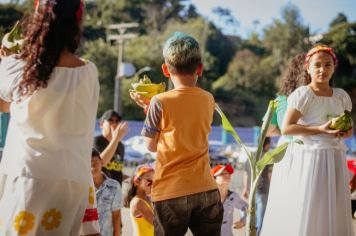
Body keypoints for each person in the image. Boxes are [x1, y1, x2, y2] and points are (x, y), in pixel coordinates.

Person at [0, 0, 99, 235]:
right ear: (76, 24)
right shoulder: (89, 72)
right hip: (75, 183)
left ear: (38, 20)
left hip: (29, 177)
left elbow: (4, 106)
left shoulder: (17, 67)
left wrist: (5, 62)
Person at [130, 32, 223, 235]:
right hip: (206, 188)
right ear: (199, 68)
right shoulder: (208, 99)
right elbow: (186, 125)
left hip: (171, 191)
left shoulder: (159, 102)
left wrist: (150, 110)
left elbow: (151, 145)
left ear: (165, 69)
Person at [261, 44, 354, 236]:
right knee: (311, 206)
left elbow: (350, 130)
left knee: (334, 207)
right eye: (317, 65)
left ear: (334, 67)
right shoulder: (303, 94)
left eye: (327, 65)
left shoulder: (341, 96)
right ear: (308, 68)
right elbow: (287, 128)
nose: (322, 69)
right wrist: (320, 129)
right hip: (311, 159)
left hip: (335, 157)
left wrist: (344, 132)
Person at [266, 53, 306, 144]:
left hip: (284, 148)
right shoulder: (316, 98)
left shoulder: (279, 100)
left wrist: (284, 131)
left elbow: (267, 131)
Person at [242, 137, 271, 236]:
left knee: (251, 216)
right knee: (260, 217)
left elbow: (246, 174)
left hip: (251, 190)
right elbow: (269, 175)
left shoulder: (251, 155)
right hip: (263, 190)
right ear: (267, 144)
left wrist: (245, 189)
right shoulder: (267, 156)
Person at [91, 148, 122, 236]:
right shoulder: (82, 187)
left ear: (102, 162)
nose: (93, 165)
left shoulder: (114, 186)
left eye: (96, 161)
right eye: (90, 162)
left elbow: (116, 216)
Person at [211, 164, 248, 236]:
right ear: (214, 178)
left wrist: (243, 220)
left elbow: (246, 207)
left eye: (228, 173)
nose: (227, 175)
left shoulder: (233, 197)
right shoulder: (207, 198)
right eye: (223, 173)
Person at [94, 109, 128, 184]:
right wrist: (116, 139)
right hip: (101, 190)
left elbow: (116, 171)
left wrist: (129, 178)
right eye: (111, 121)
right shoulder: (97, 141)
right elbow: (101, 163)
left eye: (117, 121)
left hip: (115, 191)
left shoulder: (120, 145)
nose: (114, 124)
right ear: (101, 124)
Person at [124, 164, 154, 236]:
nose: (152, 183)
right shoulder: (138, 202)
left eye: (154, 179)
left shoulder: (148, 199)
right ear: (137, 181)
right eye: (149, 179)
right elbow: (158, 223)